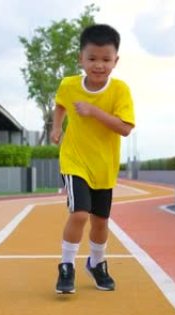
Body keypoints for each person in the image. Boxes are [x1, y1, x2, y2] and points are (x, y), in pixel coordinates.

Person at [50, 23, 135, 294]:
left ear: (116, 61)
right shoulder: (69, 84)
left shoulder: (120, 91)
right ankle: (66, 266)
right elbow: (61, 103)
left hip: (104, 166)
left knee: (101, 222)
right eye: (93, 59)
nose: (99, 65)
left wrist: (93, 111)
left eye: (106, 60)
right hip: (75, 160)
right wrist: (56, 127)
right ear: (81, 59)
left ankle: (96, 264)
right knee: (79, 214)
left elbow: (125, 128)